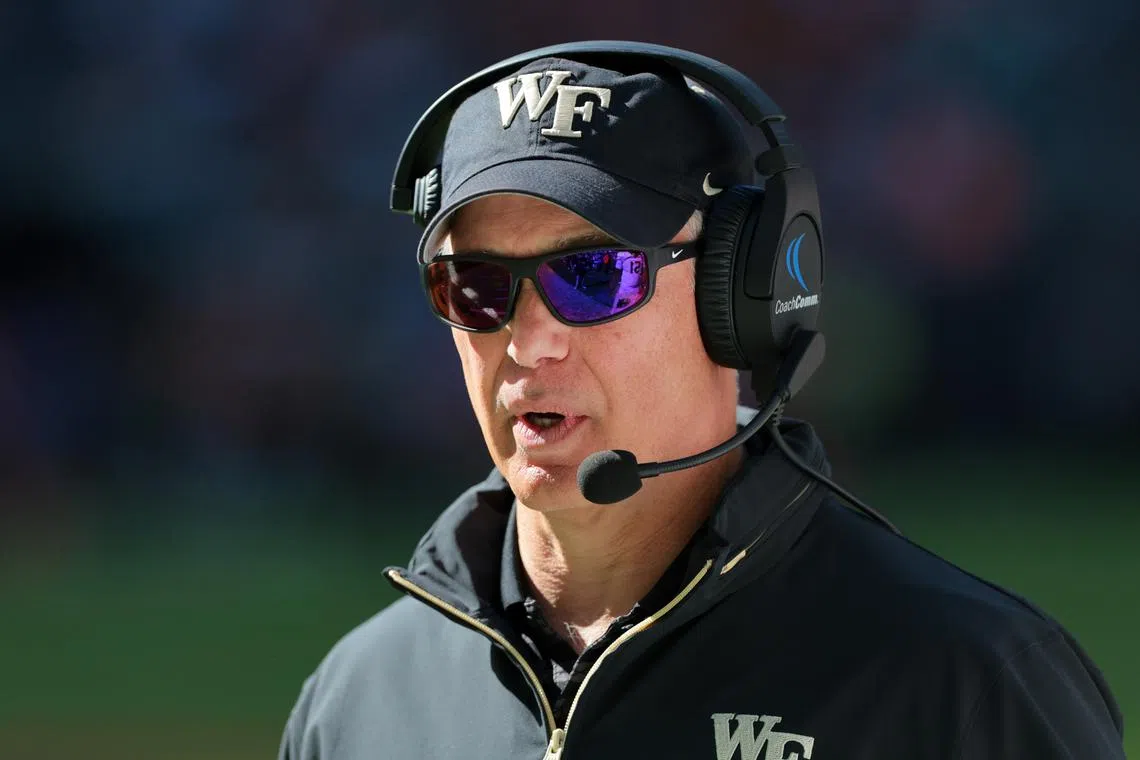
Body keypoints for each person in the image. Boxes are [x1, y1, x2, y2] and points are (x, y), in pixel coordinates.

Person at [278, 43, 1125, 760]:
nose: (529, 341)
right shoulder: (356, 702)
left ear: (742, 295)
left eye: (594, 275)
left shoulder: (964, 686)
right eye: (476, 285)